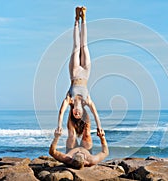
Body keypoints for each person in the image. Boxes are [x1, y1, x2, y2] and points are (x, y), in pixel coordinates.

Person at [57, 6, 104, 153]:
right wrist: (99, 126)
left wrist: (59, 125)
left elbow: (61, 112)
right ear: (81, 112)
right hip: (86, 72)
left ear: (72, 112)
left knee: (77, 46)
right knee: (84, 45)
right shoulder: (86, 101)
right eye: (79, 114)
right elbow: (95, 113)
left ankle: (77, 20)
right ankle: (83, 18)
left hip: (75, 72)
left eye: (74, 114)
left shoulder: (69, 100)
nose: (77, 114)